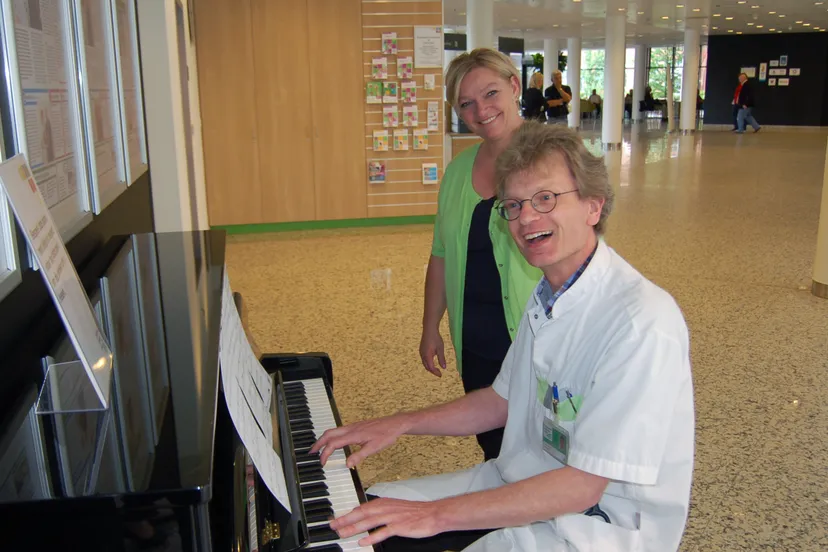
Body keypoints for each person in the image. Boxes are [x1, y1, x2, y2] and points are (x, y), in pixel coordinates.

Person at [311, 122, 695, 552]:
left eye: (546, 198)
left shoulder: (641, 323)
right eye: (513, 204)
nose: (527, 217)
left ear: (593, 206)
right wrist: (402, 422)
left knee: (388, 536)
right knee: (363, 515)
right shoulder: (546, 292)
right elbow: (501, 401)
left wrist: (435, 516)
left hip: (595, 526)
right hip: (520, 480)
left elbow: (582, 486)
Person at [418, 48, 542, 461]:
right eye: (466, 103)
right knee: (495, 446)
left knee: (542, 445)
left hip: (538, 340)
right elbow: (440, 255)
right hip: (476, 340)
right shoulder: (458, 170)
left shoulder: (551, 160)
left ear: (513, 86)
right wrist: (430, 326)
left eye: (490, 94)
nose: (481, 110)